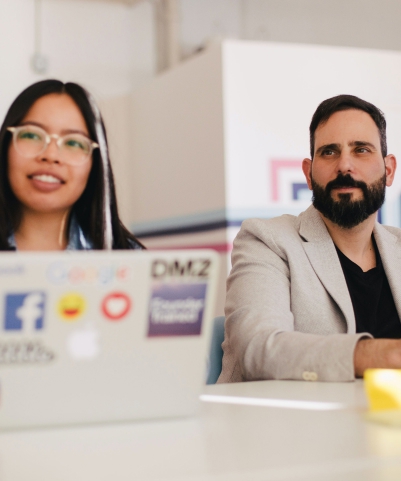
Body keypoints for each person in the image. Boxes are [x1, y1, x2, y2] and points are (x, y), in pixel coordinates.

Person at [219, 94, 401, 383]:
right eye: (329, 152)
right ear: (308, 173)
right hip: (287, 425)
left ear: (388, 170)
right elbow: (258, 350)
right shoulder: (266, 240)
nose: (344, 166)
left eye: (361, 150)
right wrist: (382, 356)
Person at [0, 79, 143, 251]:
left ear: (95, 164)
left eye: (73, 143)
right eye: (32, 136)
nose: (51, 155)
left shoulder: (129, 259)